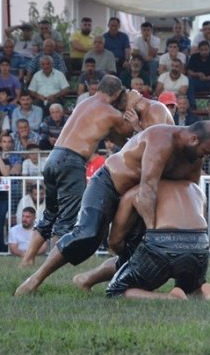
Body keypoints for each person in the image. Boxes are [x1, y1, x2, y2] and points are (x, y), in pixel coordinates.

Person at [15, 121, 210, 296]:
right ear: (193, 139)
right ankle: (35, 278)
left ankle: (86, 280)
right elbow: (147, 189)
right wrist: (152, 231)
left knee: (134, 254)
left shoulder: (194, 158)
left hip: (139, 199)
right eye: (207, 151)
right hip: (110, 185)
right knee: (87, 234)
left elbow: (190, 194)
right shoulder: (161, 139)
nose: (206, 157)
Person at [17, 76, 138, 267]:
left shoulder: (84, 104)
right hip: (71, 162)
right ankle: (49, 268)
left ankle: (28, 259)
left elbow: (113, 136)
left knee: (50, 213)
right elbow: (129, 132)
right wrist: (132, 108)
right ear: (116, 94)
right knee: (66, 219)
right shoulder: (111, 112)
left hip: (53, 158)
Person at [103, 180, 210, 300]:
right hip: (199, 243)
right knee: (190, 289)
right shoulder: (196, 190)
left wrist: (126, 254)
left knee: (116, 290)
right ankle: (204, 288)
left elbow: (115, 241)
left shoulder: (138, 191)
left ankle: (171, 297)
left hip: (162, 243)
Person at [185, 40, 210, 108]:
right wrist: (197, 74)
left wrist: (207, 78)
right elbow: (189, 71)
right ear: (198, 50)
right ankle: (192, 105)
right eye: (202, 50)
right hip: (197, 81)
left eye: (206, 49)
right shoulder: (194, 57)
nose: (204, 52)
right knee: (189, 81)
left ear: (209, 49)